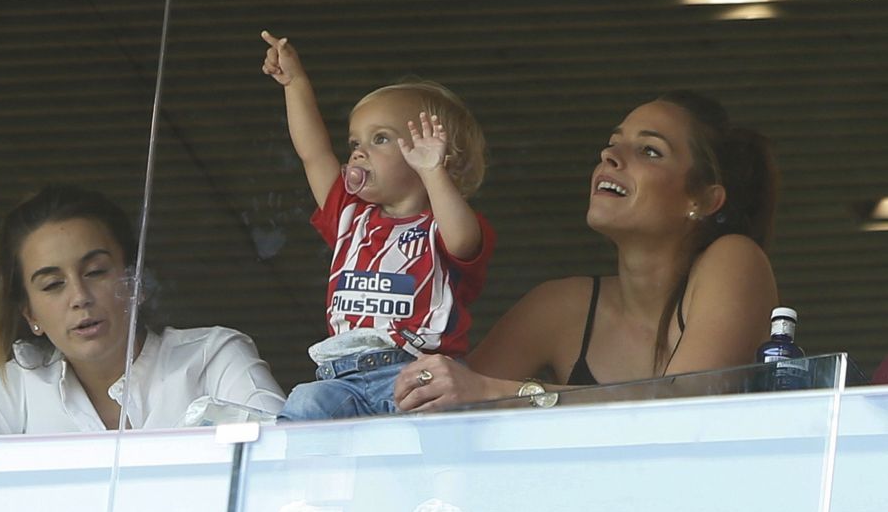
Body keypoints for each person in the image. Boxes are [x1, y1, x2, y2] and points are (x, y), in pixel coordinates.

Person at [395, 89, 780, 411]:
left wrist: (500, 393)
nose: (608, 156)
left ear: (703, 200)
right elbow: (451, 406)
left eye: (649, 151)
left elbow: (684, 407)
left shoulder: (735, 259)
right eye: (612, 144)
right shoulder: (558, 305)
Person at [261, 31, 495, 421]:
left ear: (435, 155)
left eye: (380, 138)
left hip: (415, 373)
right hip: (342, 377)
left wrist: (433, 172)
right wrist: (295, 83)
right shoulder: (349, 216)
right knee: (303, 404)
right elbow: (314, 152)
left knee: (434, 430)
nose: (357, 152)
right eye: (355, 141)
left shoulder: (443, 225)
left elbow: (464, 240)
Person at [0, 185, 285, 437]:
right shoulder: (18, 388)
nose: (79, 296)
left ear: (136, 279)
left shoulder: (213, 359)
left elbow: (286, 453)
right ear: (30, 315)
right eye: (52, 284)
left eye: (95, 272)